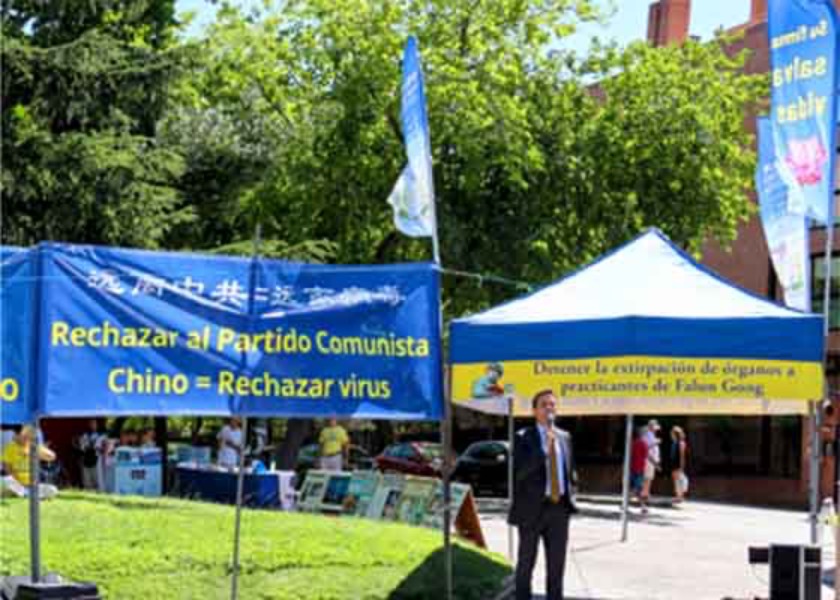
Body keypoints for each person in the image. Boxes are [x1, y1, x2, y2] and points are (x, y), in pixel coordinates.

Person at [509, 389, 576, 600]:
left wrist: (573, 489)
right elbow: (519, 472)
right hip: (531, 510)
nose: (549, 408)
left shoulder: (565, 437)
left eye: (552, 404)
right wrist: (544, 450)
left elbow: (570, 469)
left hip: (559, 509)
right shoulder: (522, 437)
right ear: (534, 411)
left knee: (557, 564)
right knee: (526, 562)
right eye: (544, 405)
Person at [1, 426, 58, 499]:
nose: (26, 438)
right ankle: (25, 493)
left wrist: (35, 452)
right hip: (17, 483)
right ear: (17, 435)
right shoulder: (10, 447)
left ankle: (24, 494)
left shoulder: (33, 446)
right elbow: (7, 469)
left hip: (32, 485)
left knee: (53, 489)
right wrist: (18, 481)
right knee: (6, 480)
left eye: (28, 436)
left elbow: (52, 456)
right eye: (24, 436)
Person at [75, 419, 104, 490]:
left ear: (97, 425)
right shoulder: (85, 435)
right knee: (87, 481)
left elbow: (102, 448)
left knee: (97, 481)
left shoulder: (102, 435)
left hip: (97, 460)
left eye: (94, 423)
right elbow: (82, 447)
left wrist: (96, 447)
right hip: (86, 460)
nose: (92, 425)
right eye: (91, 423)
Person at [640, 419, 661, 513]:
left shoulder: (651, 436)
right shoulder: (647, 436)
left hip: (650, 463)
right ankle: (643, 505)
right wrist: (655, 463)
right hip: (648, 463)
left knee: (647, 484)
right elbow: (646, 451)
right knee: (646, 484)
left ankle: (644, 505)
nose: (656, 429)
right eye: (655, 427)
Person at [630, 426, 648, 510]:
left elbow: (630, 455)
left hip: (632, 468)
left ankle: (642, 506)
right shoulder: (643, 444)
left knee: (635, 488)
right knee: (638, 488)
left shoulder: (633, 443)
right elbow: (646, 456)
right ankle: (643, 506)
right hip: (640, 469)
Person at [670, 425, 689, 503]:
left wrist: (681, 466)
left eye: (672, 433)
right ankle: (679, 497)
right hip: (675, 464)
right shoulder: (676, 443)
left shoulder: (680, 443)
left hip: (677, 464)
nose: (671, 434)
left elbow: (681, 456)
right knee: (678, 480)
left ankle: (679, 496)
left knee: (680, 480)